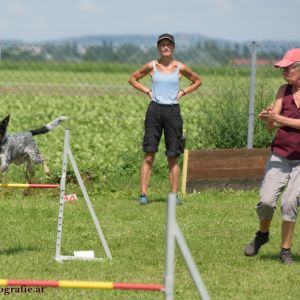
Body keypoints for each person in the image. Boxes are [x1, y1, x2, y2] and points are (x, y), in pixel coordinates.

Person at [128, 33, 202, 204]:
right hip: (154, 111)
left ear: (173, 47)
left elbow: (197, 81)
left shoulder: (180, 67)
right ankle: (143, 194)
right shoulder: (152, 66)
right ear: (158, 48)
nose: (166, 47)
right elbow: (132, 78)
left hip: (173, 112)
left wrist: (183, 92)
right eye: (162, 45)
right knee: (149, 154)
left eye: (169, 44)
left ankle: (174, 195)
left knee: (173, 155)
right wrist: (147, 90)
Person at [244, 48, 300, 264]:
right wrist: (269, 117)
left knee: (290, 201)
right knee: (266, 201)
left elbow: (283, 120)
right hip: (280, 155)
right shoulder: (282, 90)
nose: (284, 73)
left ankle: (285, 250)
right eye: (282, 70)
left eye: (288, 68)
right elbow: (272, 125)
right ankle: (262, 234)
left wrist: (279, 118)